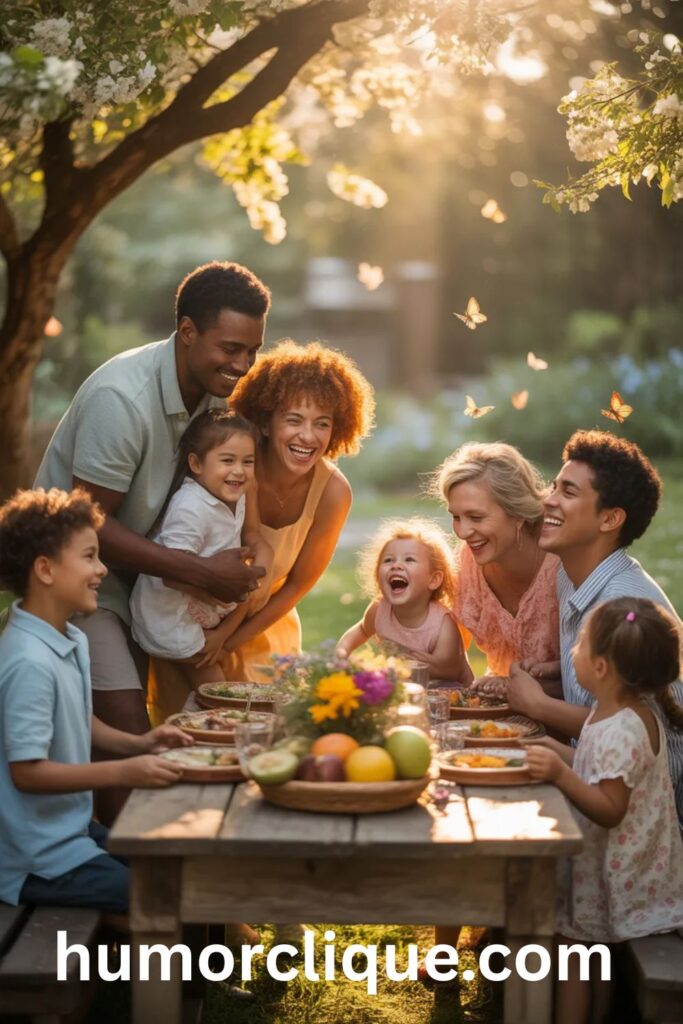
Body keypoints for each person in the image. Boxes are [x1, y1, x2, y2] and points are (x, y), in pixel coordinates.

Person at [34, 262, 270, 821]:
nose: (241, 366)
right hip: (73, 577)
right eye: (230, 348)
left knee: (192, 722)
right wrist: (201, 572)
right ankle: (129, 890)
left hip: (142, 576)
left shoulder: (211, 400)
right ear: (187, 332)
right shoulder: (124, 400)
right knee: (130, 732)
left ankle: (178, 868)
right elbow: (85, 523)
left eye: (251, 351)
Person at [0, 488, 191, 914]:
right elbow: (27, 773)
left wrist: (140, 744)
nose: (102, 569)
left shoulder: (67, 637)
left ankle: (193, 977)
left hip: (71, 833)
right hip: (37, 859)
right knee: (162, 895)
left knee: (181, 867)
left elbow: (78, 719)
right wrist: (125, 771)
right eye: (89, 556)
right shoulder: (28, 661)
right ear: (45, 570)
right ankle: (160, 977)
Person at [506, 430, 683, 825]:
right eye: (554, 486)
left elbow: (634, 726)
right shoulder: (571, 574)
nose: (548, 499)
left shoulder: (619, 606)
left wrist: (537, 705)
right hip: (597, 770)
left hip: (652, 808)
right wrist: (561, 672)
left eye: (568, 492)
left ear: (610, 518)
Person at [526, 597, 683, 1024]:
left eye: (579, 645)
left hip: (617, 875)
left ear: (600, 669)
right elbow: (595, 766)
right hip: (616, 866)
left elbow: (610, 808)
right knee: (593, 958)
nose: (571, 653)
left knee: (575, 956)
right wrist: (550, 750)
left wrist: (559, 773)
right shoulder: (621, 711)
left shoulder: (624, 729)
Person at [130, 410, 272, 688]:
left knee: (244, 602)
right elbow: (171, 572)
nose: (239, 470)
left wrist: (223, 631)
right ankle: (203, 722)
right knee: (215, 684)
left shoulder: (235, 493)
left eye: (248, 461)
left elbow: (251, 537)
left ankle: (202, 715)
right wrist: (220, 597)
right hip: (168, 613)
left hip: (208, 598)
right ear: (196, 464)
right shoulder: (191, 507)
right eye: (227, 460)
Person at [432, 442, 560, 682]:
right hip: (498, 709)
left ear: (517, 513)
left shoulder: (562, 561)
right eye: (456, 517)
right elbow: (451, 651)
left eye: (476, 517)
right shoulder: (468, 561)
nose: (462, 532)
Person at [336, 517, 473, 683]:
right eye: (388, 560)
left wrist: (401, 667)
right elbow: (362, 630)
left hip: (449, 694)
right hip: (406, 689)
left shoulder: (442, 623)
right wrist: (342, 652)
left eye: (409, 560)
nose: (396, 565)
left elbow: (449, 671)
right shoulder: (380, 609)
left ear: (433, 580)